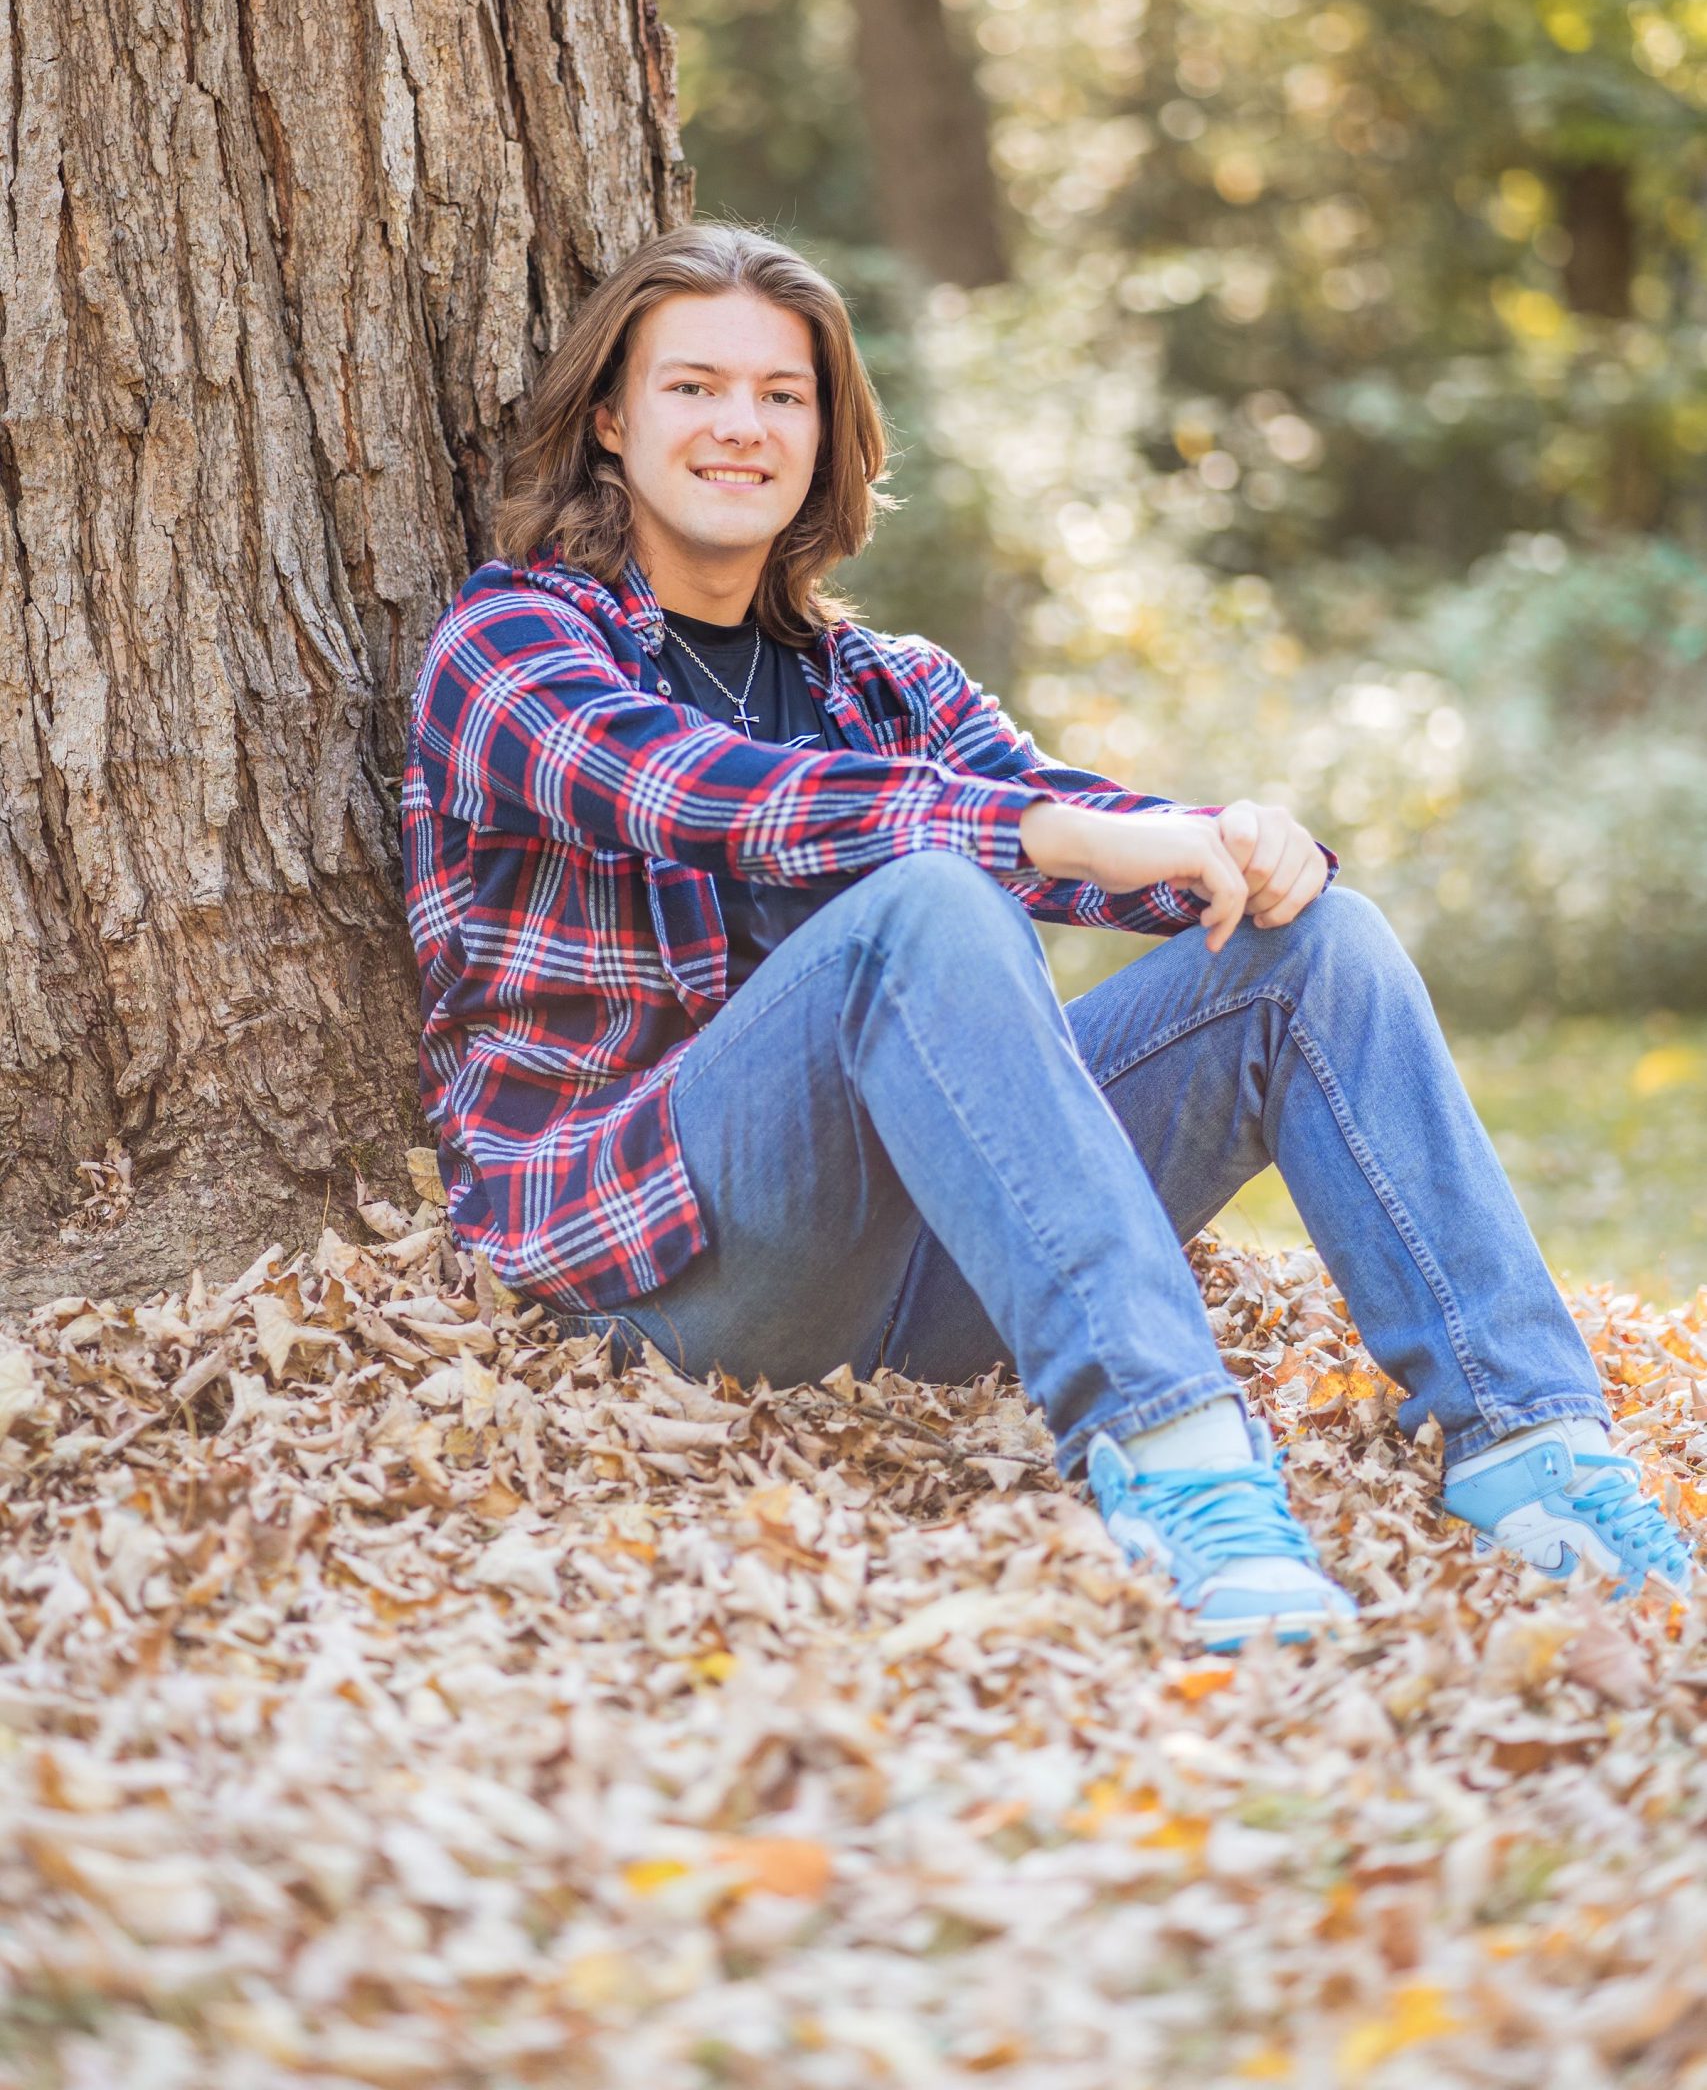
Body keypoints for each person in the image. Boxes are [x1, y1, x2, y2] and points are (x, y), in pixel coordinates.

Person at [403, 225, 1691, 1648]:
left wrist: (1241, 842)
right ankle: (1189, 1480)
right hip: (677, 1276)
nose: (740, 427)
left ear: (827, 433)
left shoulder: (887, 683)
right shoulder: (513, 642)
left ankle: (1538, 1457)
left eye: (784, 395)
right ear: (611, 418)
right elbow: (701, 795)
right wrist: (1039, 839)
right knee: (931, 896)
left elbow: (1075, 822)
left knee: (1317, 941)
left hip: (938, 1275)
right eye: (694, 387)